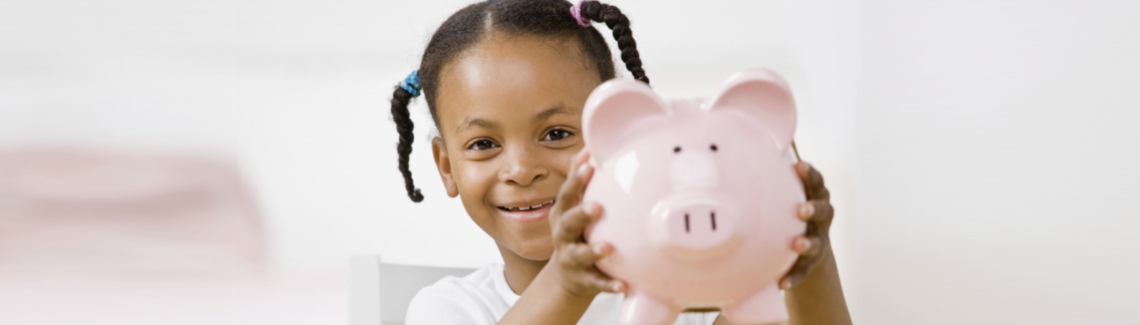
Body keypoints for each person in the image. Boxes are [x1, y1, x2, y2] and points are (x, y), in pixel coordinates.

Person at [388, 1, 852, 324]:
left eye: (556, 134)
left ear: (621, 137)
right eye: (484, 144)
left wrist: (806, 253)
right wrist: (569, 282)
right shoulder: (447, 309)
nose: (522, 168)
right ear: (446, 166)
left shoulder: (697, 285)